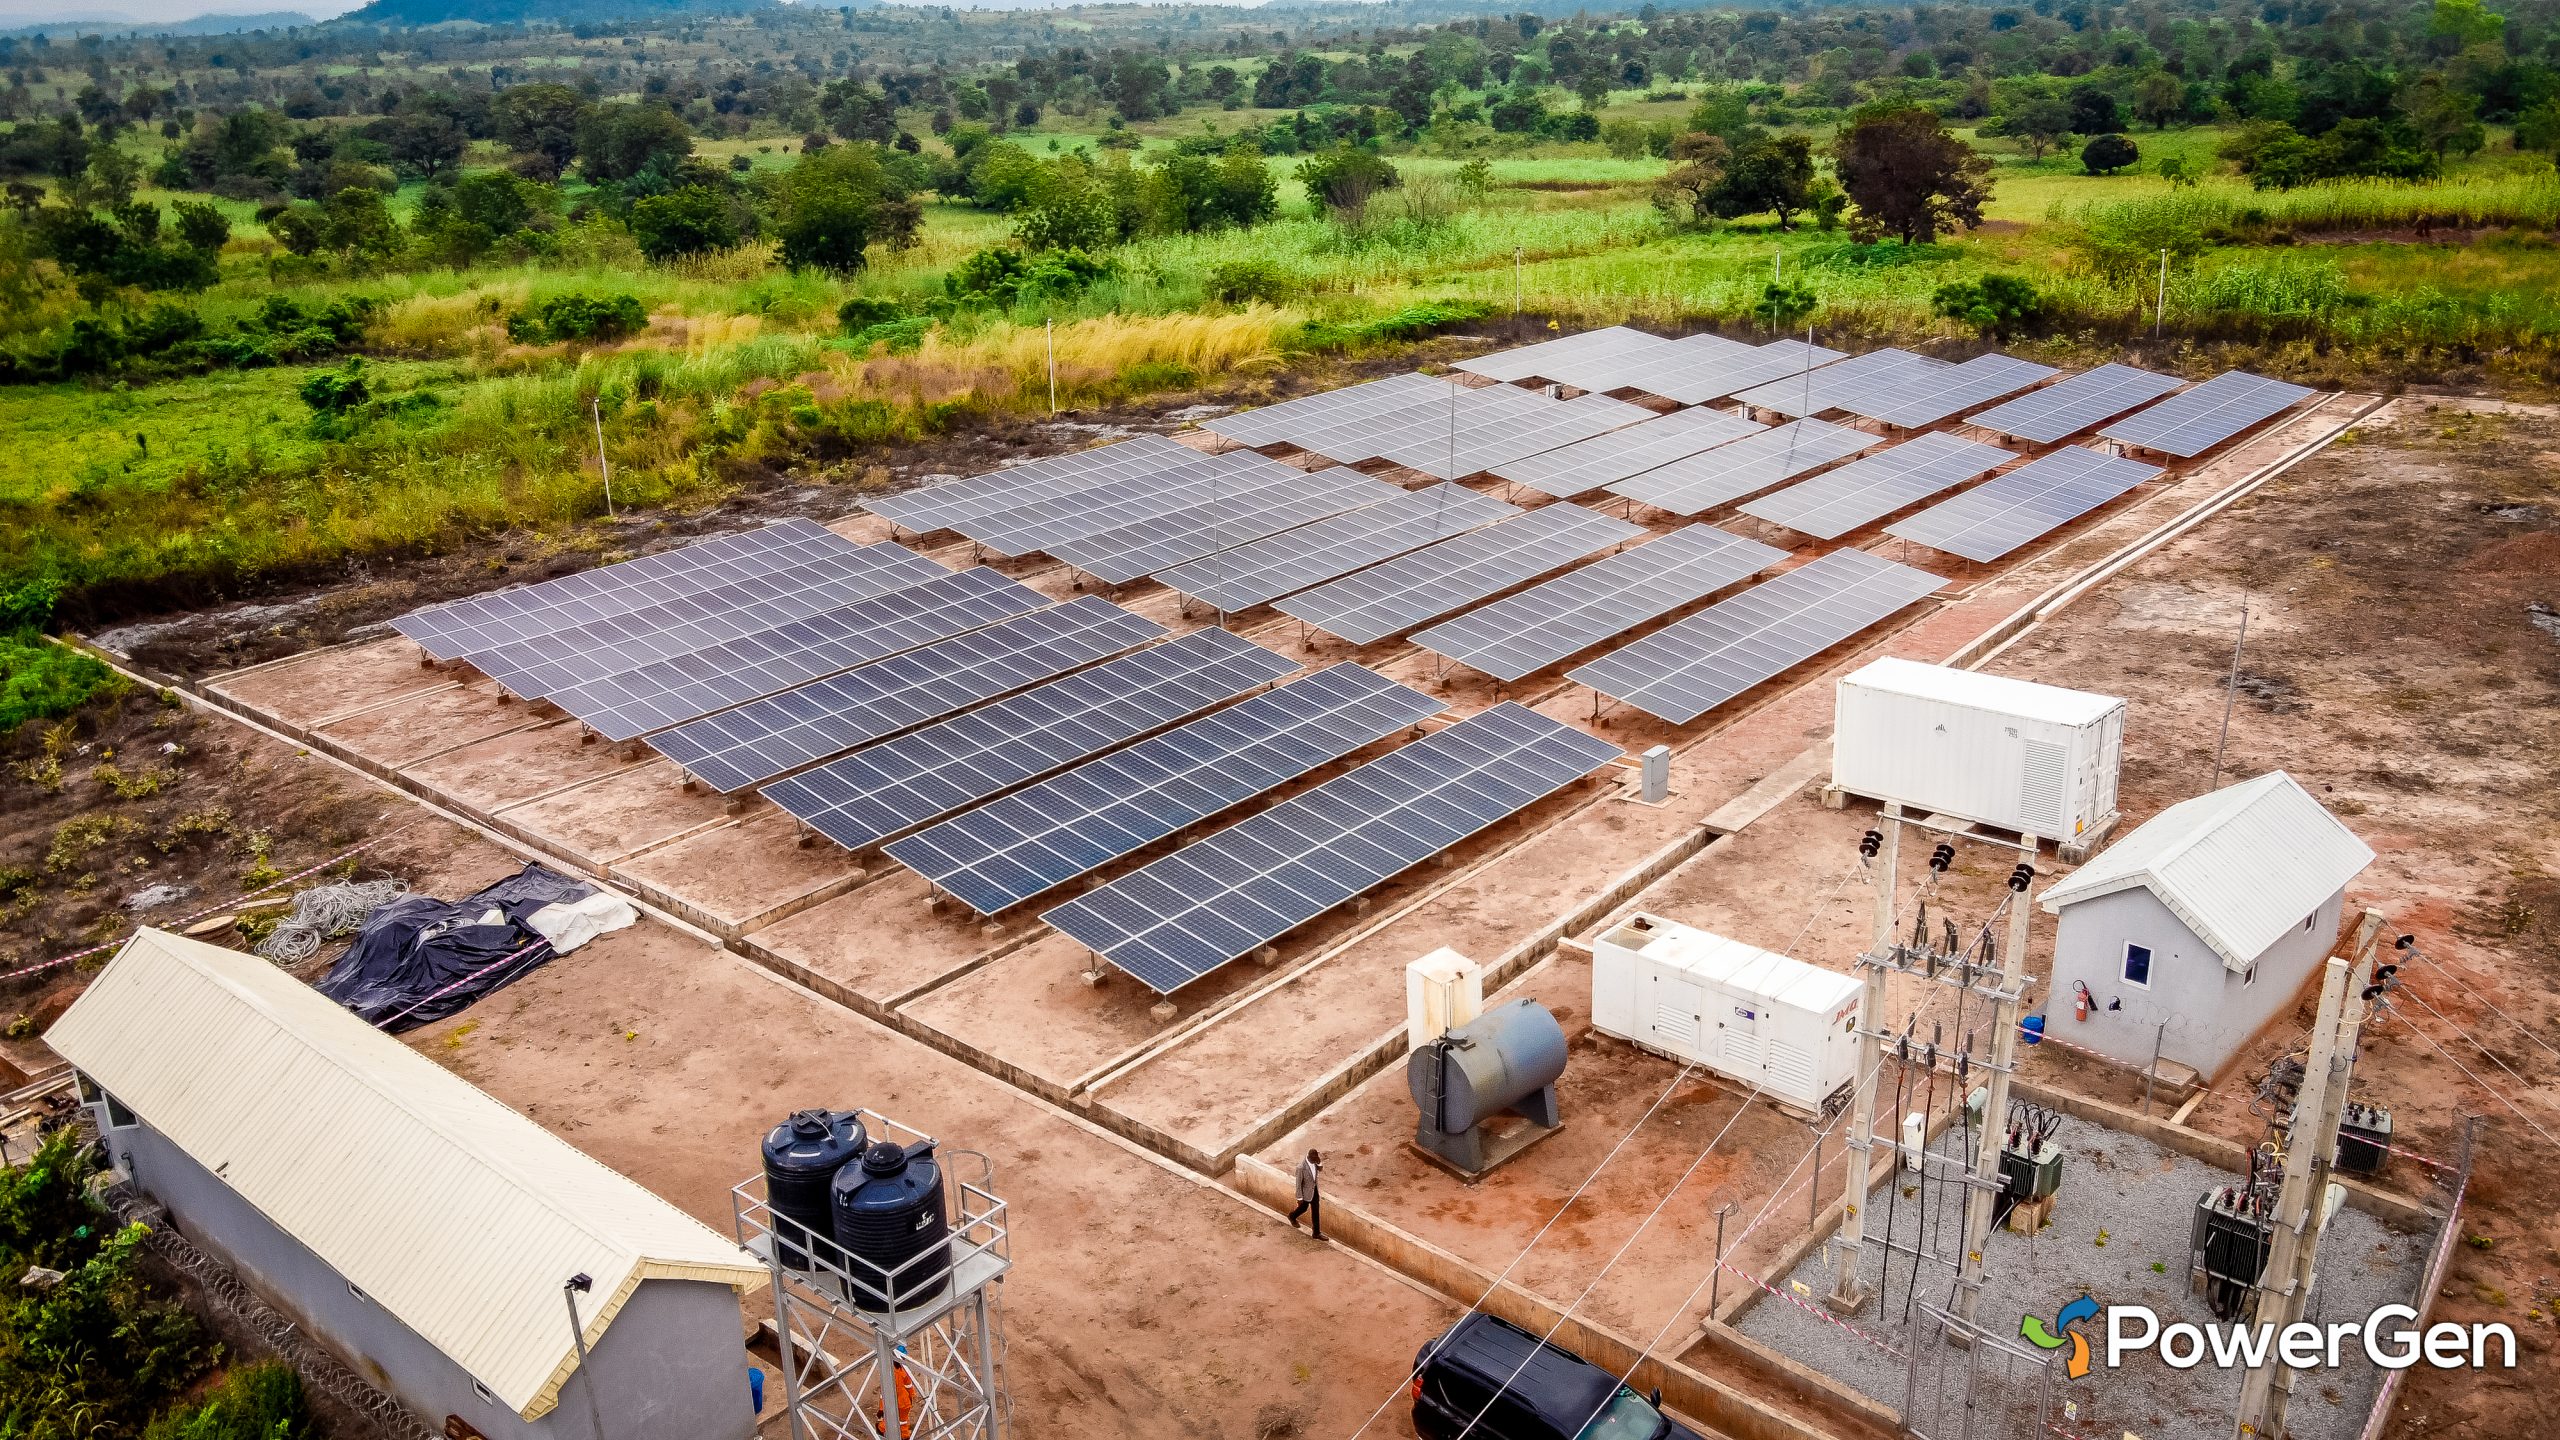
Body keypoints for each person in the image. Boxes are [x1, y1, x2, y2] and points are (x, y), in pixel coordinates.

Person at [1288, 1148, 1325, 1240]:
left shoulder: (1315, 1161)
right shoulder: (1301, 1167)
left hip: (1314, 1190)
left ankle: (1316, 1233)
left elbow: (1320, 1169)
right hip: (1305, 1193)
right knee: (1303, 1208)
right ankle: (1292, 1216)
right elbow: (1298, 1184)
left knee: (1316, 1211)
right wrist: (1299, 1197)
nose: (1315, 1160)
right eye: (1314, 1159)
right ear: (1308, 1157)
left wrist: (1319, 1162)